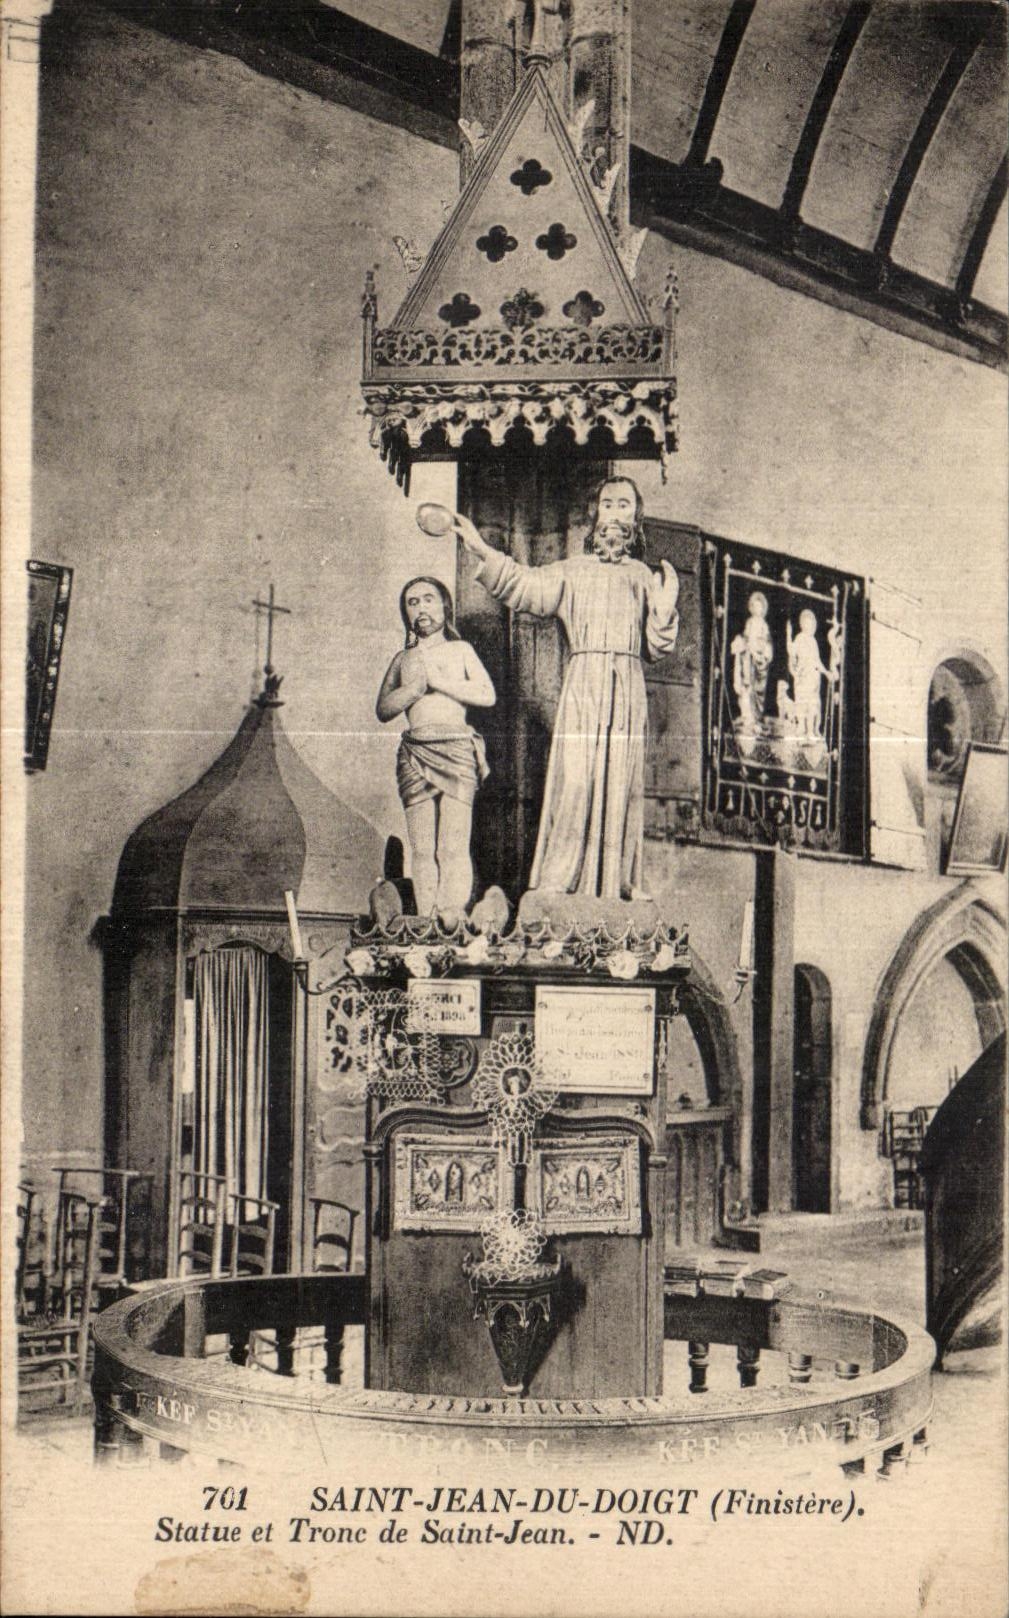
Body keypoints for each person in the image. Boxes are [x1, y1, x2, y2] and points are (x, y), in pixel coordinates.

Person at [453, 478, 679, 901]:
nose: (615, 514)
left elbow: (655, 647)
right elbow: (524, 584)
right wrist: (481, 548)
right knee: (575, 780)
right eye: (607, 504)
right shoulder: (573, 570)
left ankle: (619, 881)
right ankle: (559, 875)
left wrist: (664, 610)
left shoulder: (642, 576)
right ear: (595, 515)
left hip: (626, 687)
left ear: (636, 517)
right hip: (583, 684)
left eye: (624, 505)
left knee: (621, 784)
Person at [376, 576, 495, 919]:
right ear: (406, 613)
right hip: (415, 752)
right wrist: (413, 691)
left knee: (452, 845)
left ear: (444, 606)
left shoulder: (461, 651)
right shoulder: (404, 658)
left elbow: (486, 695)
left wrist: (438, 681)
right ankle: (428, 918)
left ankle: (451, 914)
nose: (421, 608)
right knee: (422, 847)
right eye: (412, 602)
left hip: (456, 750)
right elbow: (383, 709)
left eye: (428, 599)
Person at [730, 591, 773, 733]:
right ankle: (746, 716)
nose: (756, 609)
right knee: (746, 688)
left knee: (756, 690)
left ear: (763, 609)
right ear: (751, 608)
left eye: (759, 606)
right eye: (754, 606)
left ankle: (755, 718)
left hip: (758, 661)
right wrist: (742, 644)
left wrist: (761, 654)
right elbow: (746, 638)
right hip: (748, 659)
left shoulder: (763, 625)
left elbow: (766, 643)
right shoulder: (749, 622)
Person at [787, 608, 833, 738]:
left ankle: (811, 730)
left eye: (811, 623)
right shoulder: (799, 638)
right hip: (802, 676)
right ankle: (801, 727)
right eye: (806, 623)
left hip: (813, 678)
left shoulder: (813, 641)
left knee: (812, 704)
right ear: (802, 624)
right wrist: (788, 635)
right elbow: (792, 651)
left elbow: (817, 661)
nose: (809, 626)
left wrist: (826, 673)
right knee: (801, 702)